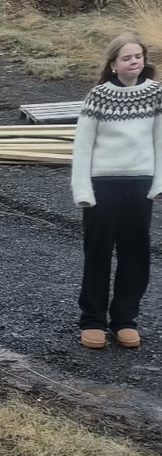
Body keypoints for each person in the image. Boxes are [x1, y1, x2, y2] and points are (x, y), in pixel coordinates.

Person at [71, 33, 162, 350]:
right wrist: (83, 189)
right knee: (97, 254)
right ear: (113, 64)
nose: (134, 62)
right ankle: (93, 321)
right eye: (127, 57)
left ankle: (125, 320)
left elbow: (160, 140)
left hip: (140, 186)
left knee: (135, 255)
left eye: (138, 56)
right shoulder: (98, 96)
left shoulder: (156, 94)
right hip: (102, 186)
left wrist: (159, 183)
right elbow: (82, 147)